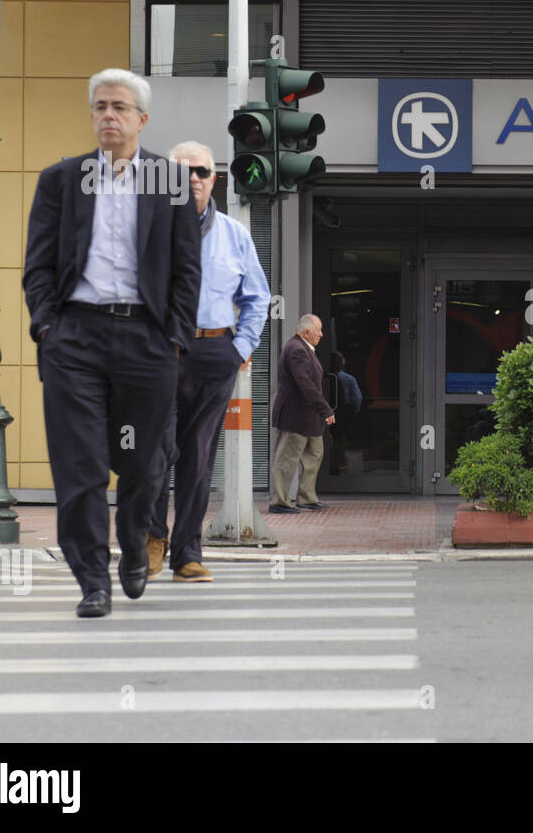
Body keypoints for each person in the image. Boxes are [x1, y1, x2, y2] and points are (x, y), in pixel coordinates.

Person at [23, 68, 201, 618]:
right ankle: (91, 579)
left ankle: (134, 546)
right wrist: (48, 328)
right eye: (100, 106)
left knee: (144, 462)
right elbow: (39, 266)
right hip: (75, 337)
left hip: (146, 341)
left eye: (120, 107)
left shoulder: (167, 181)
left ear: (141, 119)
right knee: (80, 466)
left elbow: (186, 272)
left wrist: (173, 336)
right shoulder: (63, 179)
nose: (108, 116)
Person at [147, 141, 270, 582]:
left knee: (198, 460)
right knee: (157, 452)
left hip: (214, 352)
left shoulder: (235, 235)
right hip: (159, 352)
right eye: (183, 173)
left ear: (213, 179)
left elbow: (257, 297)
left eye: (201, 172)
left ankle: (187, 555)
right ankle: (152, 539)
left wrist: (240, 349)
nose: (192, 180)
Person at [269, 314, 335, 513]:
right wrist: (324, 408)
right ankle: (279, 502)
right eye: (319, 330)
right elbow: (305, 384)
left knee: (315, 454)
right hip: (295, 416)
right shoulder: (297, 350)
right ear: (307, 332)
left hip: (308, 417)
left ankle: (306, 497)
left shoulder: (304, 348)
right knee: (287, 458)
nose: (322, 334)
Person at [327, 350, 362, 475]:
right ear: (342, 363)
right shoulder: (348, 379)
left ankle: (333, 463)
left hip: (327, 411)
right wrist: (353, 413)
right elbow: (357, 398)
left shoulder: (325, 377)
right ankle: (339, 463)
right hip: (343, 412)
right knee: (339, 438)